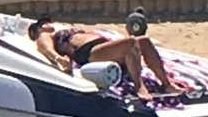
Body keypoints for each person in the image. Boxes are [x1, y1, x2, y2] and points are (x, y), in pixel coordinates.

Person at [31, 17, 181, 97]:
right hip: (88, 53)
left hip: (104, 47)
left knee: (144, 41)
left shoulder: (68, 29)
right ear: (39, 28)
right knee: (130, 42)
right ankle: (139, 87)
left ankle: (167, 84)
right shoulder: (45, 35)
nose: (49, 23)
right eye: (44, 23)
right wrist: (58, 58)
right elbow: (45, 48)